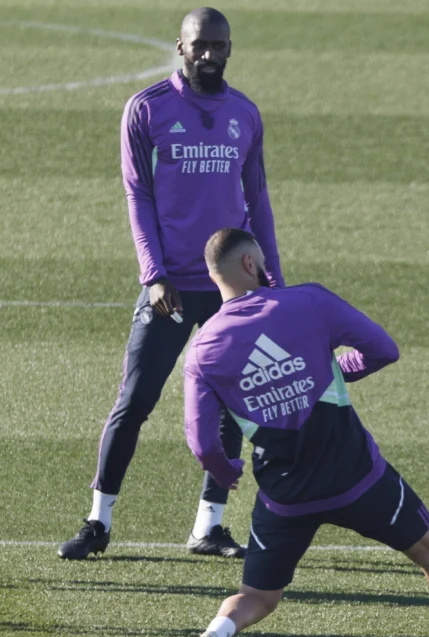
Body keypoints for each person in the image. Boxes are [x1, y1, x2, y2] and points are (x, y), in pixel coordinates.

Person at [184, 229, 429, 637]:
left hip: (285, 495)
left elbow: (202, 442)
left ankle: (218, 632)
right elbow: (383, 349)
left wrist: (226, 471)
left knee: (259, 596)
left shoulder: (202, 349)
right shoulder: (308, 301)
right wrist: (333, 370)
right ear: (251, 264)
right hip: (358, 477)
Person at [59, 7, 284, 561]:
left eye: (220, 45)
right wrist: (154, 276)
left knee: (233, 402)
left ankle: (209, 526)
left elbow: (256, 197)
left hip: (233, 286)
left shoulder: (244, 114)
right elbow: (138, 196)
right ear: (180, 47)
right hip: (172, 288)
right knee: (135, 400)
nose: (211, 54)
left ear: (231, 49)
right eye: (200, 45)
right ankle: (98, 521)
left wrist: (272, 277)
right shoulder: (148, 109)